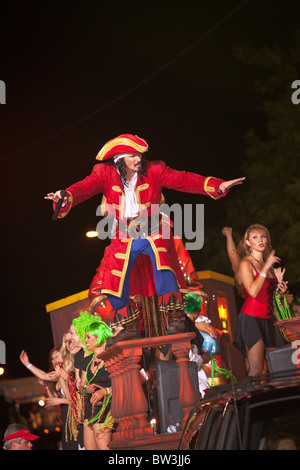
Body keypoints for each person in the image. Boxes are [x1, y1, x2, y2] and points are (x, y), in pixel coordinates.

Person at [45, 134, 245, 342]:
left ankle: (175, 318)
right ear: (119, 159)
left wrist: (216, 185)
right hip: (124, 235)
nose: (139, 159)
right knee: (112, 279)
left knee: (164, 267)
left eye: (140, 154)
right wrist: (65, 196)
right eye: (133, 155)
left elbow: (183, 179)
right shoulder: (104, 173)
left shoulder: (155, 170)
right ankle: (128, 324)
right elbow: (84, 188)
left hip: (153, 229)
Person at [233, 224, 288, 376]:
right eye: (255, 237)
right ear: (248, 243)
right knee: (257, 369)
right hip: (251, 318)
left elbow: (272, 297)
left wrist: (280, 292)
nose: (260, 240)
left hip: (270, 319)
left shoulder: (267, 266)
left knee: (278, 367)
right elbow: (252, 291)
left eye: (263, 236)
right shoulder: (246, 264)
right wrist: (265, 268)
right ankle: (249, 399)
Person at [80, 321, 114, 450]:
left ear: (99, 336)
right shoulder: (87, 361)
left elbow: (124, 383)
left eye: (88, 336)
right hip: (91, 408)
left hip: (108, 407)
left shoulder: (112, 357)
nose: (85, 340)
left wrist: (105, 391)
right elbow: (81, 387)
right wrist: (85, 389)